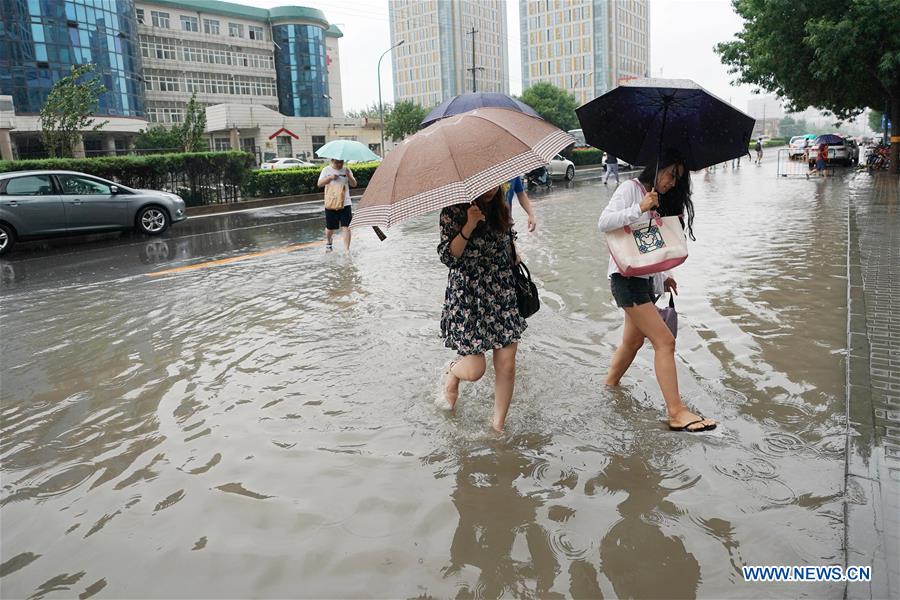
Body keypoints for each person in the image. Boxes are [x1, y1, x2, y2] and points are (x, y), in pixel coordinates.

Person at [597, 150, 717, 433]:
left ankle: (608, 388)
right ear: (657, 167)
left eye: (678, 179)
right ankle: (676, 411)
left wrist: (664, 276)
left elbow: (650, 247)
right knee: (665, 341)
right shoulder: (631, 189)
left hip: (646, 281)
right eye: (671, 175)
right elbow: (604, 222)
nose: (672, 183)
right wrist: (639, 207)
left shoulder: (658, 201)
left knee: (632, 343)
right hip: (626, 280)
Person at [437, 186, 526, 432]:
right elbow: (448, 257)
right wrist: (469, 224)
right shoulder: (453, 209)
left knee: (507, 364)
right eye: (484, 187)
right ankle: (453, 371)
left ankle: (498, 427)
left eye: (494, 184)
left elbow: (509, 238)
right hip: (469, 297)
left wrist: (514, 252)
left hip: (502, 291)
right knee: (475, 370)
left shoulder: (500, 205)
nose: (489, 190)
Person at [317, 158, 357, 252]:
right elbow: (319, 184)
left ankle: (347, 250)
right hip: (332, 202)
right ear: (332, 161)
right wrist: (330, 178)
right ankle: (329, 241)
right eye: (337, 162)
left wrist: (349, 176)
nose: (339, 164)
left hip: (345, 203)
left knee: (346, 226)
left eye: (341, 162)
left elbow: (354, 184)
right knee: (330, 228)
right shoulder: (326, 170)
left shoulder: (347, 169)